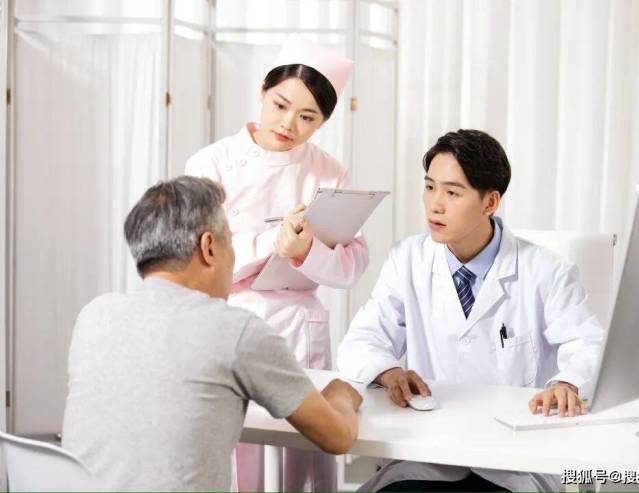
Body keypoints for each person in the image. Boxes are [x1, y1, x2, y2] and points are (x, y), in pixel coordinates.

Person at [337, 129, 605, 492]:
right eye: (429, 187)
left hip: (513, 464)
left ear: (490, 202)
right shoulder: (408, 260)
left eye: (452, 192)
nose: (435, 204)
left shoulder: (548, 271)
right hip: (428, 457)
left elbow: (589, 345)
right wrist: (388, 372)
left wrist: (567, 382)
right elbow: (361, 340)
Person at [61, 176, 362, 491]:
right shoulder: (235, 331)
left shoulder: (94, 316)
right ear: (208, 247)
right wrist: (341, 394)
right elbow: (337, 437)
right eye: (229, 242)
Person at [185, 34, 368, 491]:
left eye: (308, 117)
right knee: (239, 462)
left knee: (300, 466)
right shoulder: (212, 163)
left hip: (300, 332)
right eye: (280, 105)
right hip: (233, 325)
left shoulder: (330, 173)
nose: (288, 124)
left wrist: (305, 252)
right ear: (263, 91)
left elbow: (352, 265)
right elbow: (197, 260)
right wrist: (275, 241)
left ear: (323, 121)